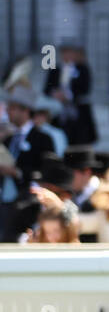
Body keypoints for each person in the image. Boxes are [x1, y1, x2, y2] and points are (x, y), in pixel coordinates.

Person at [1, 86, 58, 241]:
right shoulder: (8, 139)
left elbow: (48, 171)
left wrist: (17, 172)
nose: (8, 112)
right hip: (5, 201)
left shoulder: (42, 139)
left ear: (25, 111)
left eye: (13, 108)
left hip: (28, 203)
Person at [44, 42, 97, 146]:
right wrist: (55, 94)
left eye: (70, 52)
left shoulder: (82, 69)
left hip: (77, 114)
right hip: (59, 115)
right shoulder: (55, 69)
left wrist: (68, 95)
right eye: (64, 52)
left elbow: (85, 88)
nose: (67, 55)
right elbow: (47, 88)